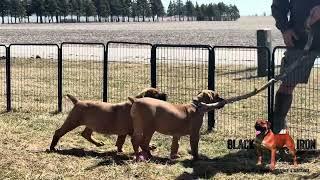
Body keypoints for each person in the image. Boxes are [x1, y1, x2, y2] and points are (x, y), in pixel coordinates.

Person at [271, 0, 320, 134]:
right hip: (300, 37)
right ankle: (278, 128)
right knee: (288, 82)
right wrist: (285, 29)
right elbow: (279, 5)